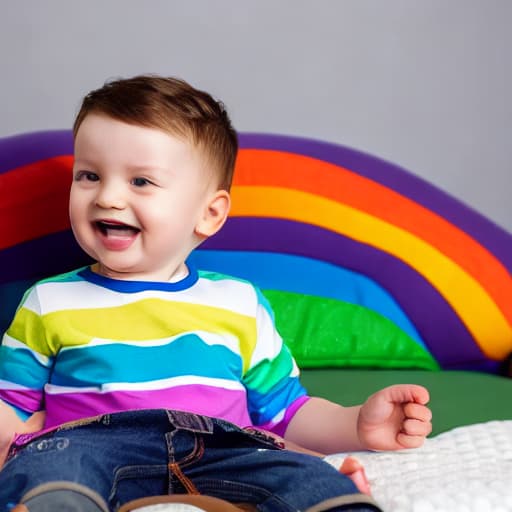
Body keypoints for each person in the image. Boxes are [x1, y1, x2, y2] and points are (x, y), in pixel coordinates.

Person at [0, 75, 432, 512]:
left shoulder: (238, 302)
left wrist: (356, 422)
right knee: (50, 466)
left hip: (223, 449)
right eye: (89, 176)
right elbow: (10, 406)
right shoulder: (48, 301)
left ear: (208, 214)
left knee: (307, 475)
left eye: (141, 182)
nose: (108, 197)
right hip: (97, 446)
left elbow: (286, 411)